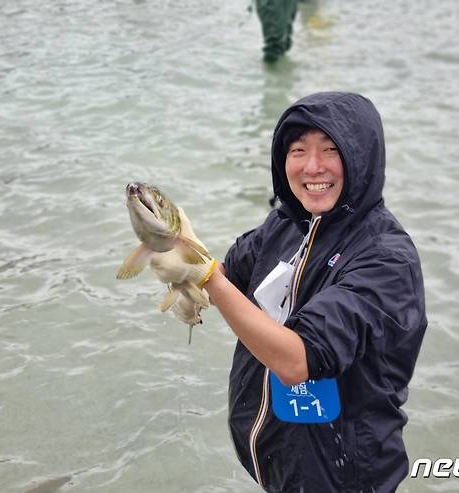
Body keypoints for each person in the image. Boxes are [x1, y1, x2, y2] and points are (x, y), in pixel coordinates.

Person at [151, 92, 428, 493]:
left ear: (361, 157)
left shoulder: (386, 259)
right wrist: (180, 259)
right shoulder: (284, 224)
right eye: (298, 150)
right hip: (278, 466)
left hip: (342, 476)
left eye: (330, 150)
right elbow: (228, 279)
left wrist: (206, 276)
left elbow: (298, 360)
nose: (312, 167)